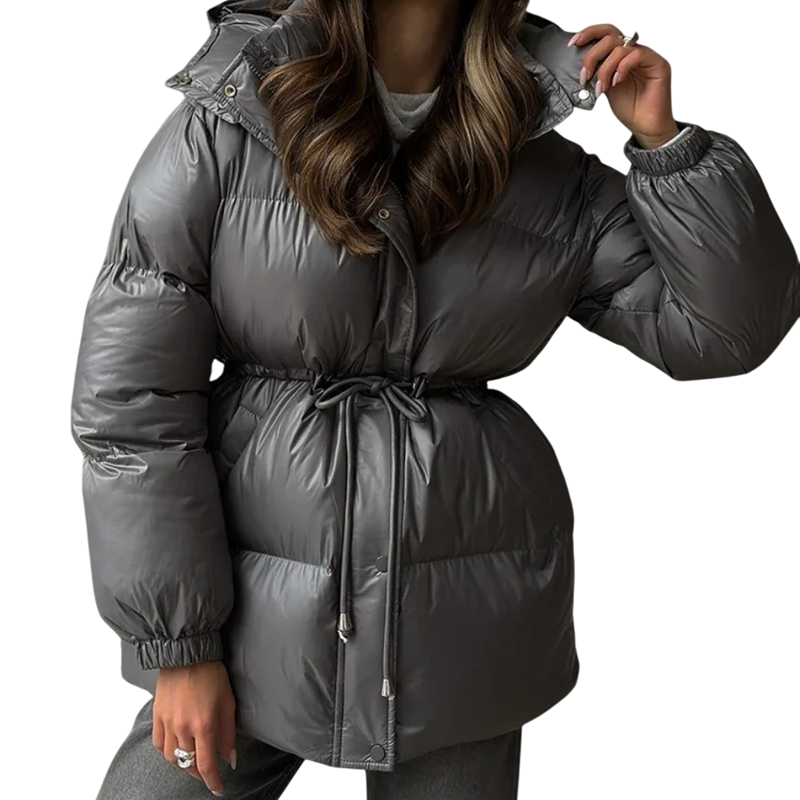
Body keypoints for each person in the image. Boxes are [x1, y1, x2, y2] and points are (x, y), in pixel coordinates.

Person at [69, 1, 799, 798]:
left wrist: (667, 147)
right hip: (252, 609)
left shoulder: (545, 167)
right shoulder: (232, 120)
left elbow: (725, 332)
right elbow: (132, 405)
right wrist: (179, 646)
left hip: (461, 620)